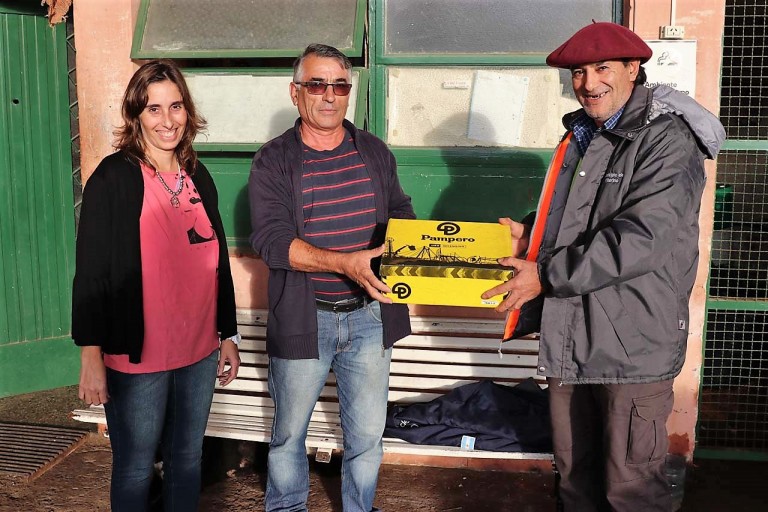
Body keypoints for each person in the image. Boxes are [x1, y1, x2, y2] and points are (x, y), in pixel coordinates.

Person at [482, 22, 725, 512]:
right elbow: (580, 218)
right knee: (575, 483)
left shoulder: (666, 139)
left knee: (630, 491)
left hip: (632, 346)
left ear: (633, 69)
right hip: (572, 336)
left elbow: (640, 238)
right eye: (578, 72)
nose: (589, 83)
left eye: (602, 68)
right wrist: (531, 235)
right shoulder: (583, 135)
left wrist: (545, 275)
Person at [249, 43, 414, 512]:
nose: (329, 95)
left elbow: (400, 211)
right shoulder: (273, 160)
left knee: (367, 436)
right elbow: (272, 242)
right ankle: (287, 508)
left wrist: (408, 246)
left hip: (369, 316)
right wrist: (345, 263)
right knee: (288, 435)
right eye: (317, 84)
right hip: (307, 317)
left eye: (339, 86)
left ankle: (359, 508)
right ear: (295, 92)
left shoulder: (374, 152)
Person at [72, 59, 241, 511]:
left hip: (199, 352)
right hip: (139, 358)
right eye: (154, 109)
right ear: (136, 115)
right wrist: (91, 356)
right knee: (135, 467)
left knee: (188, 460)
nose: (168, 120)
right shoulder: (114, 178)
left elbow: (217, 263)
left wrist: (227, 334)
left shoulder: (197, 175)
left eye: (176, 106)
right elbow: (91, 274)